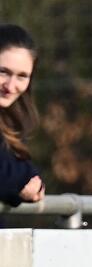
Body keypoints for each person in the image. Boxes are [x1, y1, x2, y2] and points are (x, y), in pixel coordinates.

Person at [0, 24, 44, 207]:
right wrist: (25, 179)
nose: (11, 86)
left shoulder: (12, 123)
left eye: (22, 76)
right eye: (3, 72)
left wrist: (31, 180)